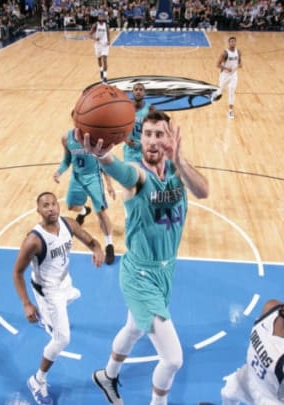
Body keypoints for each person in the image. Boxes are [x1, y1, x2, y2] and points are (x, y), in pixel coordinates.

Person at [84, 110, 209, 405]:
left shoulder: (178, 173)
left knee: (134, 327)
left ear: (170, 138)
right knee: (173, 359)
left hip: (164, 273)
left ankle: (108, 375)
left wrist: (180, 160)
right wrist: (103, 157)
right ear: (141, 139)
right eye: (148, 134)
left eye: (159, 134)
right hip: (140, 277)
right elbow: (122, 171)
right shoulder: (138, 176)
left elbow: (203, 191)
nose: (152, 141)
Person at [13, 191, 105, 405]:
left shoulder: (69, 225)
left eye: (54, 204)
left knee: (74, 295)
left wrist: (97, 248)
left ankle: (48, 318)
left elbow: (91, 241)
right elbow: (17, 272)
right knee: (62, 338)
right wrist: (26, 304)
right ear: (39, 211)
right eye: (45, 205)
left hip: (65, 282)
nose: (51, 208)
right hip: (48, 290)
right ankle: (37, 380)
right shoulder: (33, 241)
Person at [52, 125, 117, 265]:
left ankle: (109, 244)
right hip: (77, 177)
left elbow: (102, 161)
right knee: (71, 206)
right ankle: (84, 211)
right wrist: (59, 171)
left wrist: (109, 184)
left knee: (101, 212)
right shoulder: (66, 138)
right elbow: (67, 160)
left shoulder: (94, 138)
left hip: (93, 177)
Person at [123, 82, 155, 163]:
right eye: (136, 89)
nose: (138, 92)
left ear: (144, 92)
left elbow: (160, 127)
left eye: (141, 90)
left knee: (146, 175)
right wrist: (125, 139)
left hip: (145, 150)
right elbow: (118, 126)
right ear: (132, 92)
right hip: (130, 150)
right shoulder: (126, 107)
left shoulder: (150, 109)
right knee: (131, 175)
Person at [212, 36, 242, 120]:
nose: (233, 43)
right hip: (225, 75)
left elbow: (239, 61)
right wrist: (226, 68)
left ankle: (230, 110)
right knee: (220, 90)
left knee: (231, 91)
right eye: (231, 42)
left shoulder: (238, 52)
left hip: (234, 75)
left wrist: (240, 65)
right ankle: (216, 93)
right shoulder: (225, 53)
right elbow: (217, 64)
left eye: (234, 42)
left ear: (236, 43)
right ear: (229, 43)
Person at [90, 13, 110, 84]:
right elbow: (90, 34)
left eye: (102, 16)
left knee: (104, 59)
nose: (101, 17)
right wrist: (95, 38)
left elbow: (108, 33)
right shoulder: (95, 25)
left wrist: (109, 41)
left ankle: (105, 77)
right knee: (99, 59)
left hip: (104, 44)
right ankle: (101, 70)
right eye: (100, 16)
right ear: (98, 17)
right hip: (98, 44)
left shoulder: (106, 25)